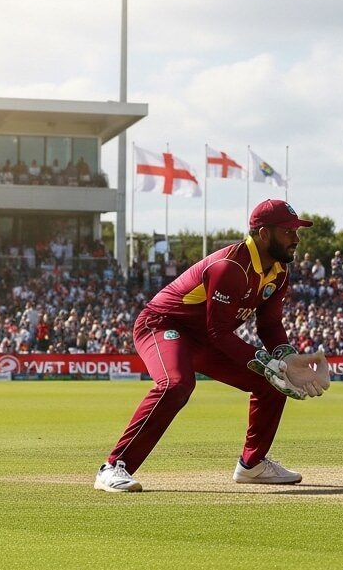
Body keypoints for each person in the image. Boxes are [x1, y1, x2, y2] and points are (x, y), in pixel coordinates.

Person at [94, 199, 329, 493]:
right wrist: (269, 363)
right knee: (176, 384)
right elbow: (219, 332)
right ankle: (113, 467)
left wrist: (287, 358)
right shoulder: (230, 266)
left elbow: (269, 326)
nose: (296, 238)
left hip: (206, 335)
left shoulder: (279, 271)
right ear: (264, 234)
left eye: (296, 231)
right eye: (288, 231)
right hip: (163, 325)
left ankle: (252, 465)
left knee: (271, 382)